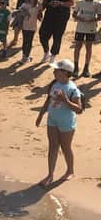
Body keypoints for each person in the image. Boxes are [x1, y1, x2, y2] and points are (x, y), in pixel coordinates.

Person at [35, 59, 82, 187]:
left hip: (66, 122)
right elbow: (48, 100)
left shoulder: (72, 89)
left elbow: (79, 109)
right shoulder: (54, 84)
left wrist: (66, 100)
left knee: (66, 147)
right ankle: (50, 175)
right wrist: (40, 115)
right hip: (52, 119)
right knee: (53, 146)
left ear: (65, 73)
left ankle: (70, 170)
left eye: (57, 69)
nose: (54, 71)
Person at [39, 0, 74, 64]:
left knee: (57, 36)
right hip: (50, 13)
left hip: (62, 15)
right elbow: (45, 0)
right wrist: (40, 10)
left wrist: (60, 3)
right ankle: (47, 52)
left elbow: (71, 3)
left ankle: (53, 56)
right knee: (42, 34)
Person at [72, 0, 101, 77]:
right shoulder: (80, 2)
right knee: (78, 46)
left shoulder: (97, 3)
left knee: (89, 47)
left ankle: (86, 68)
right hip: (80, 27)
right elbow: (74, 14)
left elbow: (100, 16)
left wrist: (92, 20)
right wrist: (81, 19)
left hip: (91, 28)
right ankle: (76, 67)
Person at [15, 0, 42, 64]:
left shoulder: (38, 4)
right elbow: (19, 12)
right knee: (25, 41)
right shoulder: (25, 4)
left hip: (33, 27)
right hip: (25, 26)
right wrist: (24, 12)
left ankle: (26, 56)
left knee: (29, 42)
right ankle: (24, 56)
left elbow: (40, 13)